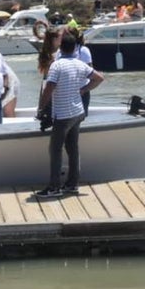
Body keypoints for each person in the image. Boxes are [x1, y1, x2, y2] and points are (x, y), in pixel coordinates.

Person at [34, 33, 104, 198]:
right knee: (73, 149)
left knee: (55, 149)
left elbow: (49, 88)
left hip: (63, 114)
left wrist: (41, 108)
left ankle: (54, 187)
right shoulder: (80, 65)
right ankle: (72, 184)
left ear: (60, 47)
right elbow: (100, 78)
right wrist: (83, 90)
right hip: (77, 112)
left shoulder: (57, 65)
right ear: (74, 48)